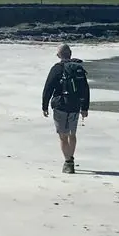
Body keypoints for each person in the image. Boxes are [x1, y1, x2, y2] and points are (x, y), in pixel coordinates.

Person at [40, 44, 90, 174]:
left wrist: (44, 106)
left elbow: (48, 88)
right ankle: (70, 158)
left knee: (63, 136)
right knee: (72, 134)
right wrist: (85, 108)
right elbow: (85, 89)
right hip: (75, 106)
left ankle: (68, 162)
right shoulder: (78, 69)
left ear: (58, 55)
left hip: (60, 106)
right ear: (71, 53)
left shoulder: (56, 69)